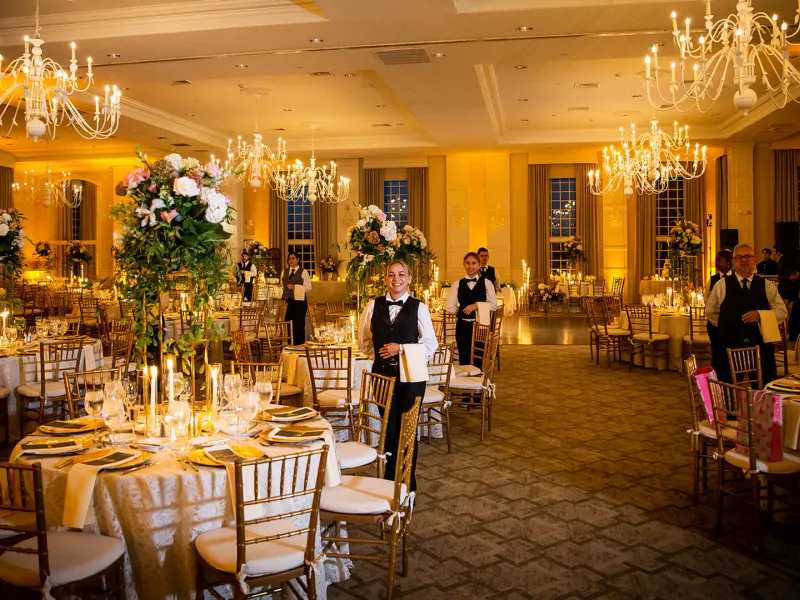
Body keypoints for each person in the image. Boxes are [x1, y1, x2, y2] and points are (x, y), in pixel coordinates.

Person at [358, 260, 438, 491]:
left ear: (409, 278)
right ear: (385, 278)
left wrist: (401, 349)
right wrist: (384, 357)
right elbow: (365, 342)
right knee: (389, 429)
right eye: (391, 274)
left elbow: (431, 346)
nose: (396, 279)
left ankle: (407, 483)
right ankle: (389, 483)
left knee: (408, 430)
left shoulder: (419, 307)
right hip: (383, 377)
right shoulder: (373, 306)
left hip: (412, 377)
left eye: (401, 274)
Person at [706, 243, 787, 385]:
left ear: (754, 260)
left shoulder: (767, 286)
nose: (744, 260)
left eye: (748, 256)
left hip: (760, 346)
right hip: (730, 346)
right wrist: (729, 323)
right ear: (733, 261)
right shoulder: (721, 285)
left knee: (762, 389)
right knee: (728, 388)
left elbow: (782, 312)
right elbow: (711, 312)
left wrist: (760, 315)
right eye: (740, 257)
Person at [446, 252, 498, 367]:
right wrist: (460, 310)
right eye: (467, 263)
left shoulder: (487, 283)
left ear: (479, 265)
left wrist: (477, 305)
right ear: (464, 265)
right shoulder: (457, 284)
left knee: (479, 357)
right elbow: (450, 307)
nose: (471, 266)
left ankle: (478, 381)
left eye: (474, 263)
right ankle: (466, 382)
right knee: (463, 356)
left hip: (480, 326)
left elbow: (494, 306)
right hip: (463, 325)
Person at [704, 249, 733, 365]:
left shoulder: (735, 279)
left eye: (719, 260)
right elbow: (706, 297)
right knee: (717, 350)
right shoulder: (713, 279)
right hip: (714, 321)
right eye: (716, 260)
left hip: (730, 322)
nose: (716, 263)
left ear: (728, 262)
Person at [280, 252, 312, 345]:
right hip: (287, 302)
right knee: (289, 325)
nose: (291, 260)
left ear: (298, 260)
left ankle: (300, 346)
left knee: (298, 325)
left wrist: (295, 287)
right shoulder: (284, 272)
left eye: (293, 258)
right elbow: (282, 286)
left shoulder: (303, 272)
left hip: (299, 303)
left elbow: (309, 287)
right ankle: (291, 346)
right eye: (289, 259)